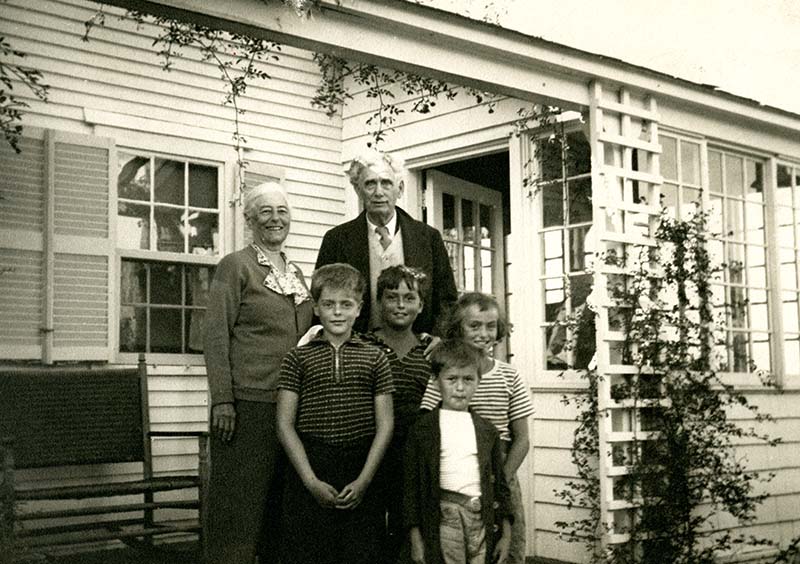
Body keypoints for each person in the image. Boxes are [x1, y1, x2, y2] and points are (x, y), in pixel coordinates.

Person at [203, 182, 314, 564]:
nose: (275, 219)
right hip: (247, 407)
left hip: (291, 409)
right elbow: (215, 333)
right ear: (250, 219)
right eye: (265, 211)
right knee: (237, 512)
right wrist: (223, 399)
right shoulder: (236, 266)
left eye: (281, 211)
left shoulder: (297, 274)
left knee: (277, 514)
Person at [276, 263, 395, 564]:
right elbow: (284, 424)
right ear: (316, 308)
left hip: (360, 464)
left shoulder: (375, 357)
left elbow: (385, 425)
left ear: (359, 309)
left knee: (361, 552)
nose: (338, 312)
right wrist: (310, 481)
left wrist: (365, 481)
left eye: (346, 304)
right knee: (310, 552)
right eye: (329, 304)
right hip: (311, 463)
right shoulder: (297, 358)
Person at [419, 293, 534, 564]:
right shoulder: (448, 374)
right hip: (455, 478)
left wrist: (499, 481)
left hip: (501, 473)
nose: (483, 333)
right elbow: (428, 429)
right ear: (458, 328)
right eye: (474, 325)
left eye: (490, 326)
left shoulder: (509, 375)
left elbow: (522, 439)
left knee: (506, 550)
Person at [315, 149, 457, 334]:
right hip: (356, 350)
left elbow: (446, 301)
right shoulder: (337, 239)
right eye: (370, 184)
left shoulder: (428, 238)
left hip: (415, 350)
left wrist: (439, 339)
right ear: (358, 190)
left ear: (400, 189)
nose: (379, 192)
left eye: (386, 183)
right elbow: (320, 296)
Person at [404, 339, 512, 564]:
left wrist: (506, 533)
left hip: (481, 517)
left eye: (468, 379)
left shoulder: (487, 430)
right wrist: (415, 538)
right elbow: (411, 488)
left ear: (478, 382)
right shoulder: (422, 429)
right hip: (445, 516)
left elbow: (500, 485)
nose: (460, 388)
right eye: (452, 379)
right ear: (436, 382)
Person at [366, 265, 434, 563]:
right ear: (379, 301)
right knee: (371, 531)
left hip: (415, 455)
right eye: (392, 297)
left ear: (420, 305)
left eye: (409, 298)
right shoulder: (364, 344)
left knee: (409, 532)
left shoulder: (430, 350)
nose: (400, 305)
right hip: (371, 450)